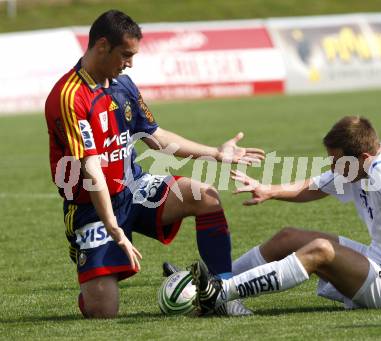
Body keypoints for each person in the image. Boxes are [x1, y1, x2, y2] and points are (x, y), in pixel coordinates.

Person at [45, 10, 264, 318]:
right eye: (126, 55)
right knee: (102, 312)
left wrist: (215, 153)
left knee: (206, 196)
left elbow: (156, 138)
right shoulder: (68, 97)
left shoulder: (124, 86)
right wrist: (114, 229)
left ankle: (222, 295)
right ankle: (86, 256)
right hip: (92, 208)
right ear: (103, 46)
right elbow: (91, 170)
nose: (130, 63)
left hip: (133, 187)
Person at [190, 116, 381, 314]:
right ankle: (212, 283)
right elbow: (316, 186)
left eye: (337, 161)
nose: (333, 168)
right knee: (288, 237)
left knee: (321, 250)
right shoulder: (362, 163)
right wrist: (269, 190)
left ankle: (220, 293)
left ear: (363, 157)